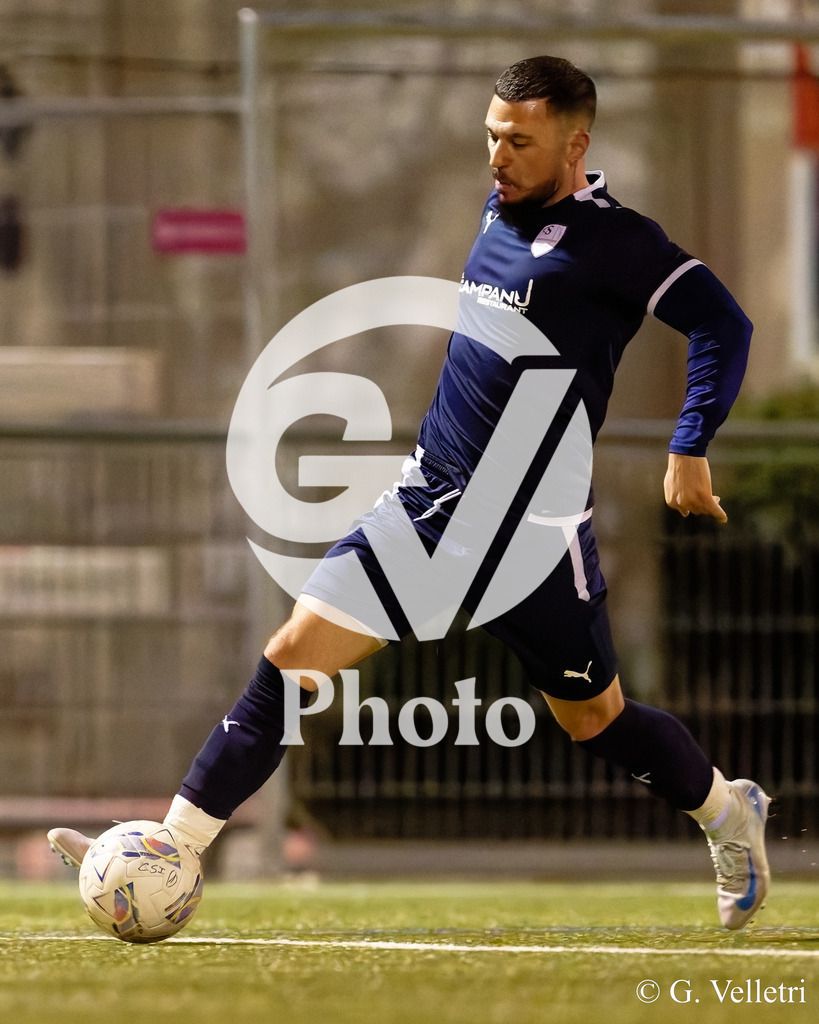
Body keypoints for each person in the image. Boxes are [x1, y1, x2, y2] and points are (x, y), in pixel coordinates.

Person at [49, 55, 769, 930]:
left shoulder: (618, 242)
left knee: (595, 720)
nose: (497, 157)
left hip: (534, 536)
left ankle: (727, 814)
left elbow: (722, 323)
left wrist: (688, 445)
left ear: (576, 145)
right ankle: (168, 848)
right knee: (290, 657)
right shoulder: (495, 211)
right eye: (491, 137)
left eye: (520, 142)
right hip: (427, 508)